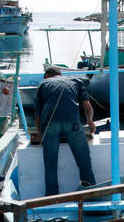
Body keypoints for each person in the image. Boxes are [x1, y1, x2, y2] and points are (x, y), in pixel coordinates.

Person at [34, 66, 96, 197]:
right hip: (72, 124)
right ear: (60, 74)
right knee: (84, 161)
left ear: (46, 76)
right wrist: (90, 121)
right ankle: (91, 195)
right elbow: (87, 106)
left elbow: (38, 116)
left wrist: (40, 134)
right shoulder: (76, 81)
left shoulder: (43, 84)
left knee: (50, 164)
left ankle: (52, 198)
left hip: (50, 125)